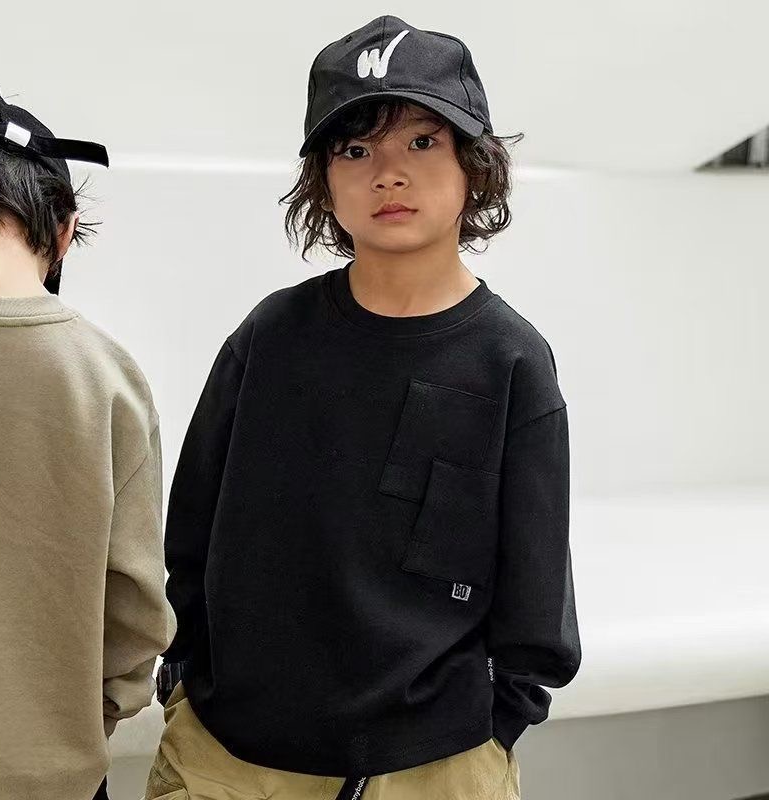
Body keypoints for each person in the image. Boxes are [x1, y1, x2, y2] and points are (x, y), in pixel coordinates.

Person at [145, 14, 581, 800]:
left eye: (422, 141)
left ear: (475, 164)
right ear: (322, 179)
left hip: (434, 764)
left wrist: (494, 728)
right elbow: (193, 530)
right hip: (228, 759)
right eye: (355, 149)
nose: (388, 173)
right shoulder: (270, 336)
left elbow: (537, 587)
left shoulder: (510, 360)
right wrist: (186, 676)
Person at [0, 75, 177, 800]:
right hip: (50, 774)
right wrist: (88, 719)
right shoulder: (107, 377)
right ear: (63, 232)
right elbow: (137, 608)